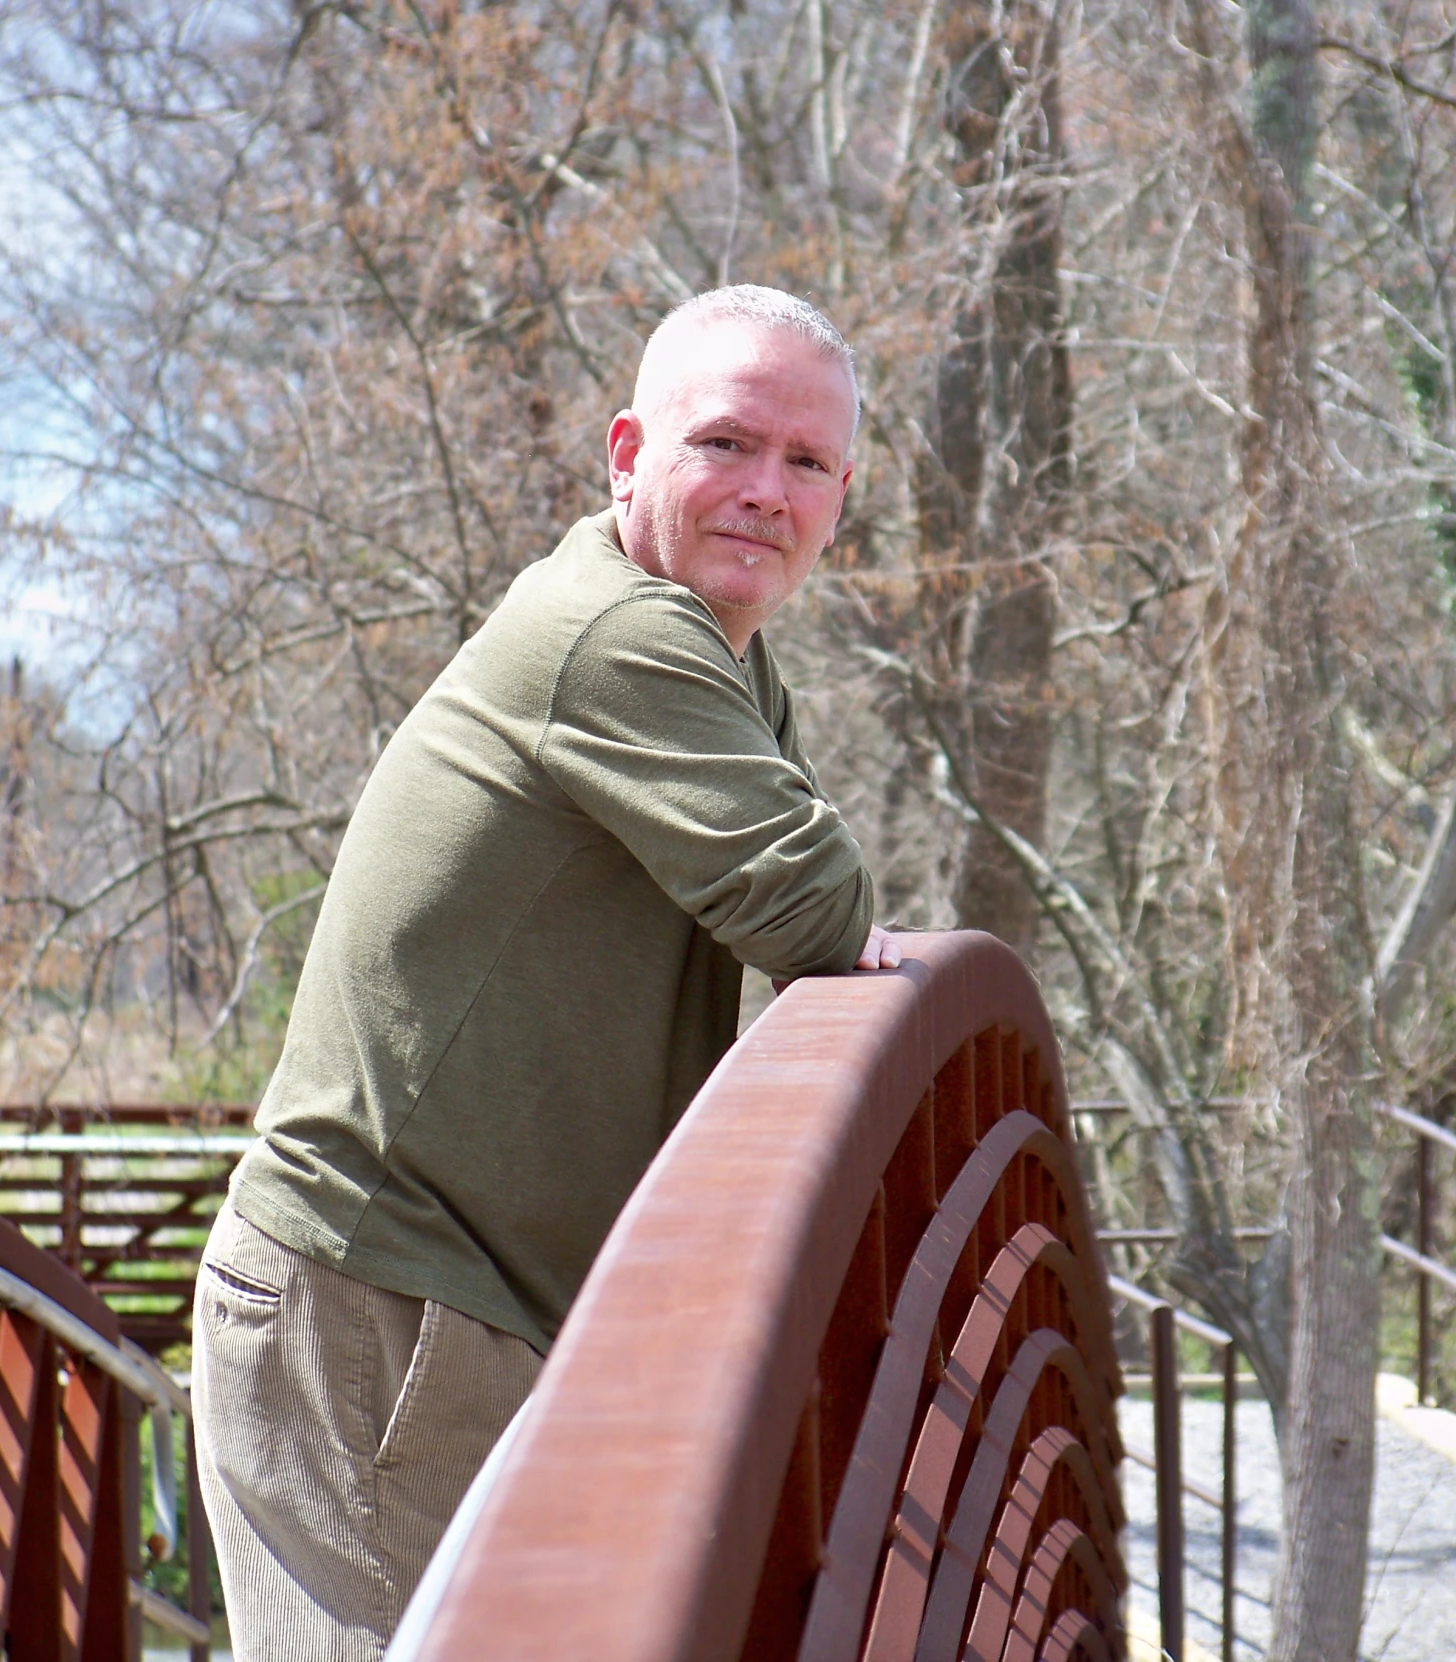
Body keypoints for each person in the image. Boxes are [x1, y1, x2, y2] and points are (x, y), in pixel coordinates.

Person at [191, 285, 901, 1656]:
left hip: (457, 1315)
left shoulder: (718, 658)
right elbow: (811, 901)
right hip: (378, 1318)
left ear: (841, 492)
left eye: (806, 463)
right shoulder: (618, 634)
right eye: (726, 444)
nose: (766, 490)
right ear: (629, 454)